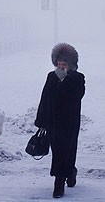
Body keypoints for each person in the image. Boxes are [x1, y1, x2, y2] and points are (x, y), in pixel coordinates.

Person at [34, 43, 85, 199]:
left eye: (64, 65)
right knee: (58, 151)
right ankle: (65, 176)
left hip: (70, 122)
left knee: (67, 150)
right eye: (59, 64)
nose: (61, 67)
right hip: (53, 122)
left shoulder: (77, 78)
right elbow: (45, 98)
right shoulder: (51, 76)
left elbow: (78, 95)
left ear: (71, 65)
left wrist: (66, 80)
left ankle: (62, 180)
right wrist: (41, 120)